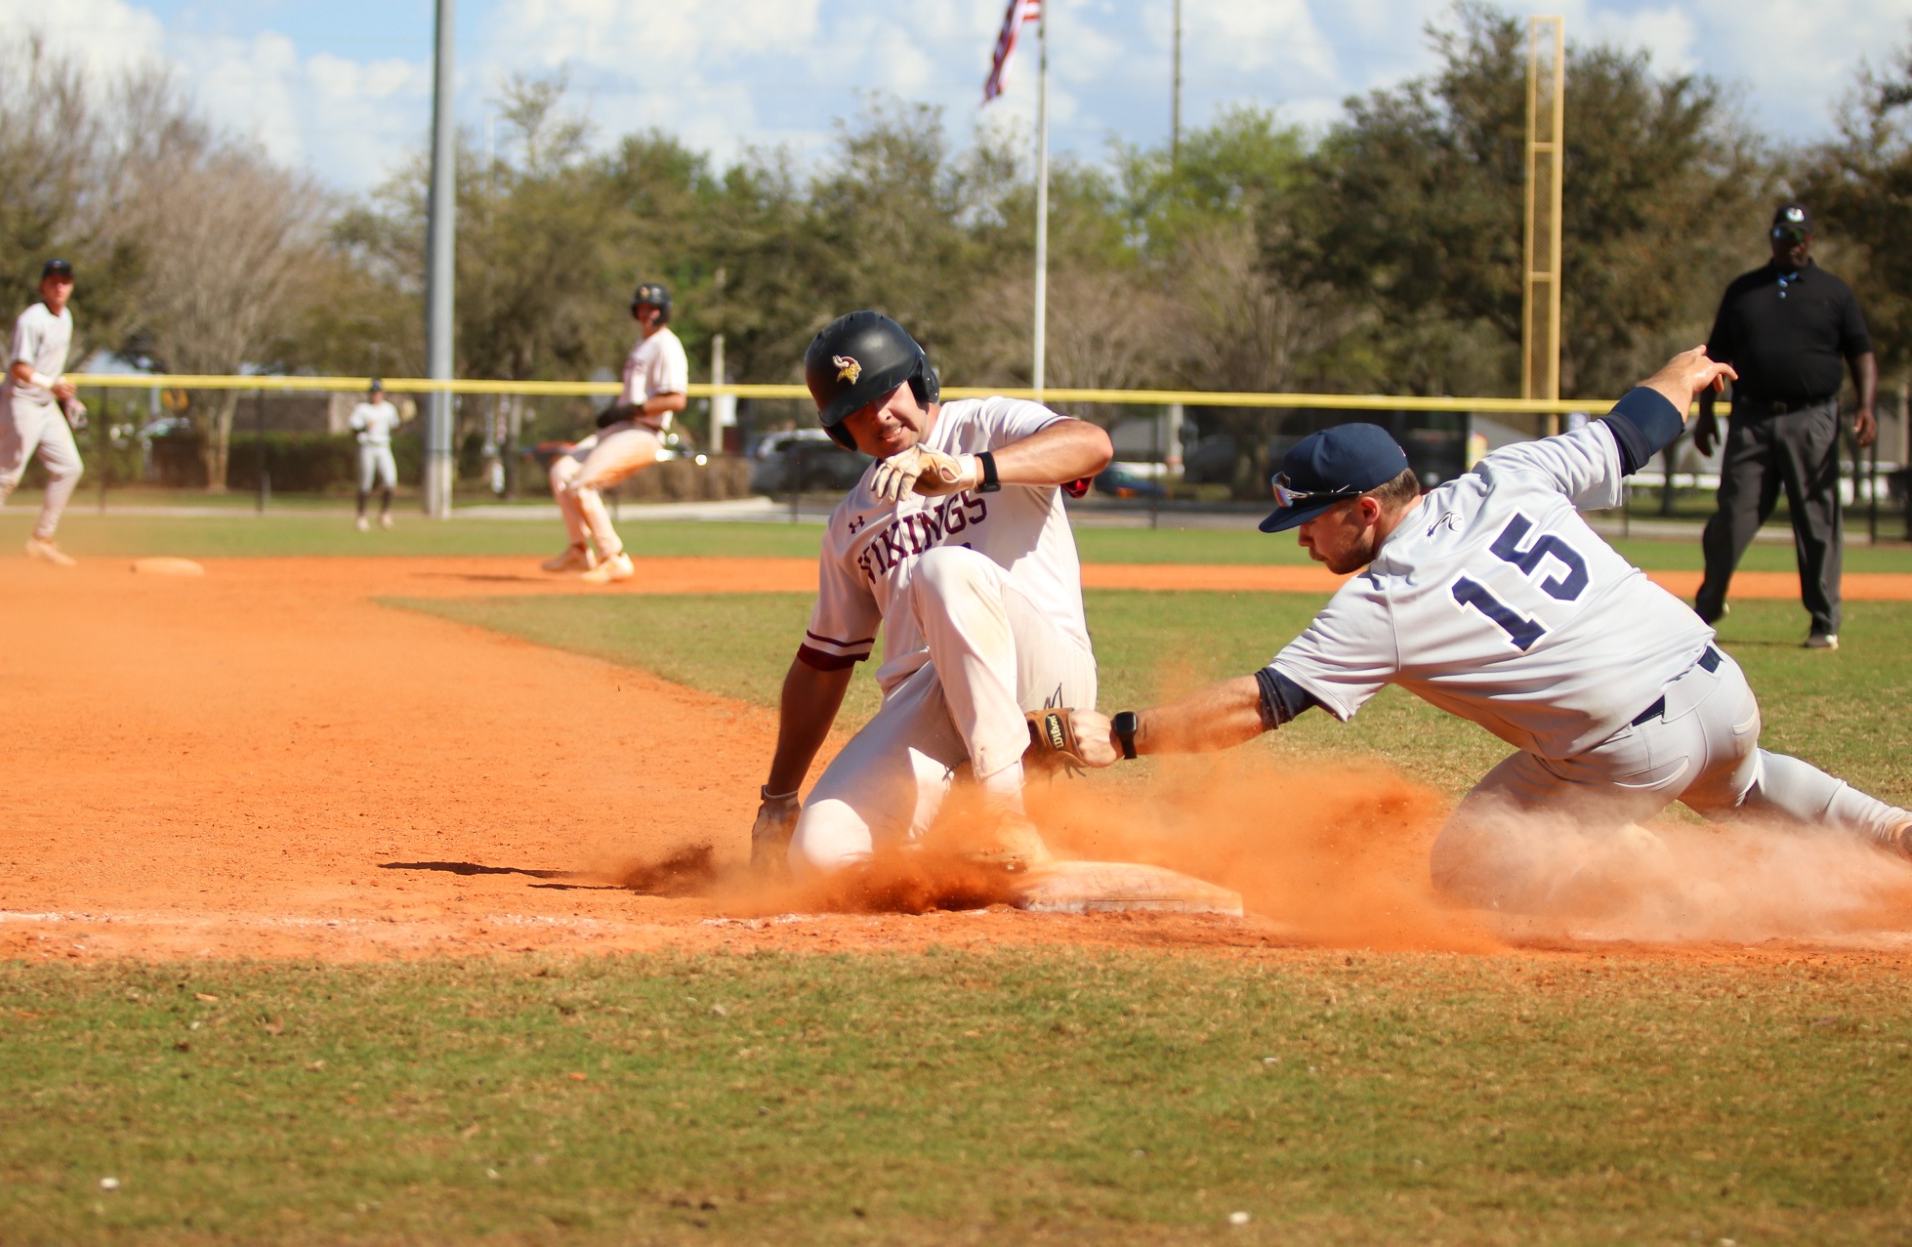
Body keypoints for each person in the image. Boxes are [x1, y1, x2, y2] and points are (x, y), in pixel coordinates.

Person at [1033, 347, 1912, 913]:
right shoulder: (1511, 474)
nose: (1302, 536)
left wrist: (1123, 735)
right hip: (1717, 686)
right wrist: (1682, 375)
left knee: (1464, 873)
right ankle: (1894, 833)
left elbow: (1260, 704)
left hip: (1622, 754)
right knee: (1746, 785)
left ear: (1367, 509)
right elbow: (1632, 431)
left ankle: (1667, 886)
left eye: (1311, 520)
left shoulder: (1385, 602)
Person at [751, 310, 1114, 875]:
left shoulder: (987, 425)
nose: (880, 416)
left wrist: (969, 470)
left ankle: (1002, 815)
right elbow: (823, 664)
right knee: (821, 855)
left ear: (919, 379)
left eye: (885, 391)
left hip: (1043, 677)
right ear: (837, 431)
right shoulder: (852, 521)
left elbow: (1089, 445)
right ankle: (953, 841)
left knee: (942, 570)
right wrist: (778, 799)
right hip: (933, 708)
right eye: (855, 411)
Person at [1693, 202, 1878, 650]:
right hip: (1752, 417)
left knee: (1817, 519)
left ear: (1809, 241)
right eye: (1782, 237)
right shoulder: (1744, 291)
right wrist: (1704, 416)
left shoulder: (1833, 292)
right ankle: (1710, 602)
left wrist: (1866, 405)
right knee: (1732, 515)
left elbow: (1861, 352)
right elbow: (1716, 358)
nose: (1790, 245)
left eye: (1797, 238)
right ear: (1772, 238)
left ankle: (1823, 620)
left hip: (1811, 417)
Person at [541, 282, 688, 583]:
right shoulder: (641, 344)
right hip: (623, 427)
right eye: (642, 308)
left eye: (653, 309)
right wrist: (618, 413)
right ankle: (579, 550)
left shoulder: (666, 345)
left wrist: (628, 410)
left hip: (644, 432)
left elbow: (676, 399)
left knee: (582, 485)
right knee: (561, 472)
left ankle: (614, 557)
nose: (647, 314)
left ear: (665, 312)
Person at [0, 259, 85, 570]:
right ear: (42, 286)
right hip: (19, 403)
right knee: (7, 477)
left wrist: (66, 400)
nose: (60, 286)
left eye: (65, 280)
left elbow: (50, 369)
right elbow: (18, 368)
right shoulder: (32, 319)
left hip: (44, 405)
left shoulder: (66, 318)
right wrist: (51, 385)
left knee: (70, 467)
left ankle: (40, 540)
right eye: (54, 280)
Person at [350, 377, 401, 531]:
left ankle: (384, 514)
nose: (375, 395)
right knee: (365, 483)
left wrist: (404, 420)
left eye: (378, 392)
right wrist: (365, 426)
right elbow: (353, 430)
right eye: (373, 392)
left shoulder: (389, 409)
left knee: (390, 480)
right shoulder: (363, 409)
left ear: (383, 393)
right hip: (367, 446)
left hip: (384, 446)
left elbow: (396, 428)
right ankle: (361, 517)